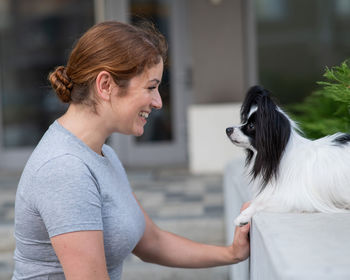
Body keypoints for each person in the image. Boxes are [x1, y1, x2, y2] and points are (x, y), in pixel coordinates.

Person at [12, 21, 250, 280]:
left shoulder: (103, 154)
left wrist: (232, 254)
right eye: (151, 87)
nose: (158, 102)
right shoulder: (64, 169)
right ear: (105, 85)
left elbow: (152, 242)